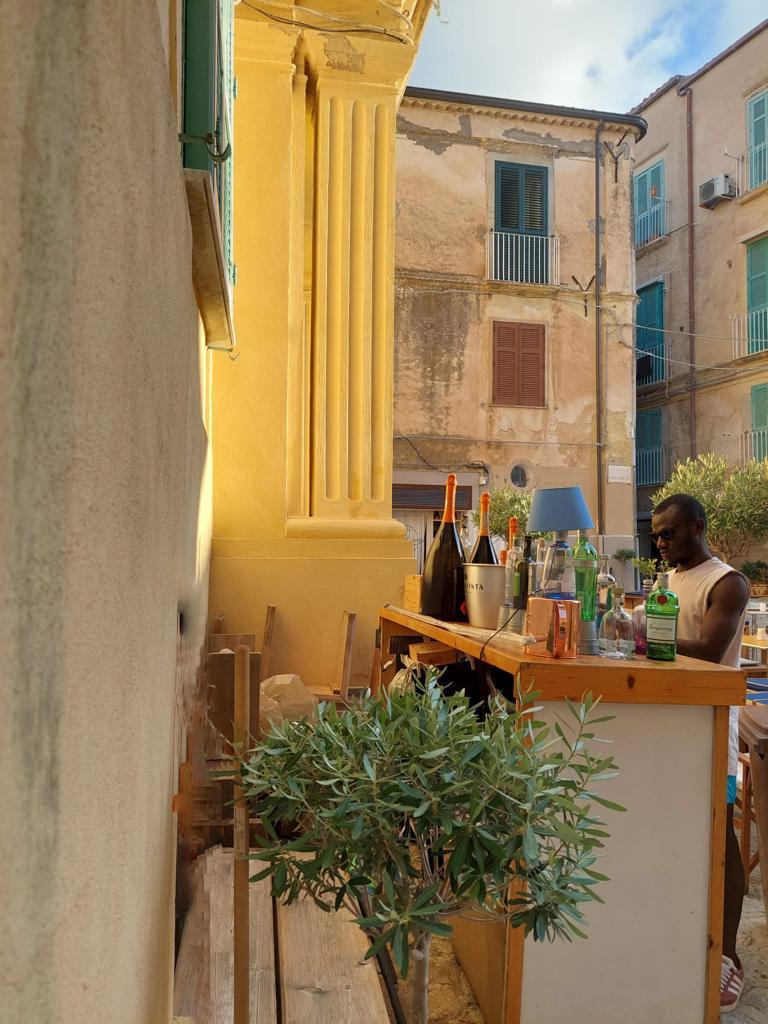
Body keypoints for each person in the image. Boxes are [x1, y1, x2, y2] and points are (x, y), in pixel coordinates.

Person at [651, 494, 750, 1014]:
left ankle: (728, 956)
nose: (660, 543)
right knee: (675, 831)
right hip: (671, 723)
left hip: (715, 725)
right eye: (656, 536)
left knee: (720, 838)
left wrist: (641, 638)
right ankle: (683, 936)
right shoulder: (668, 581)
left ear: (697, 526)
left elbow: (711, 651)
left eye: (668, 533)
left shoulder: (727, 582)